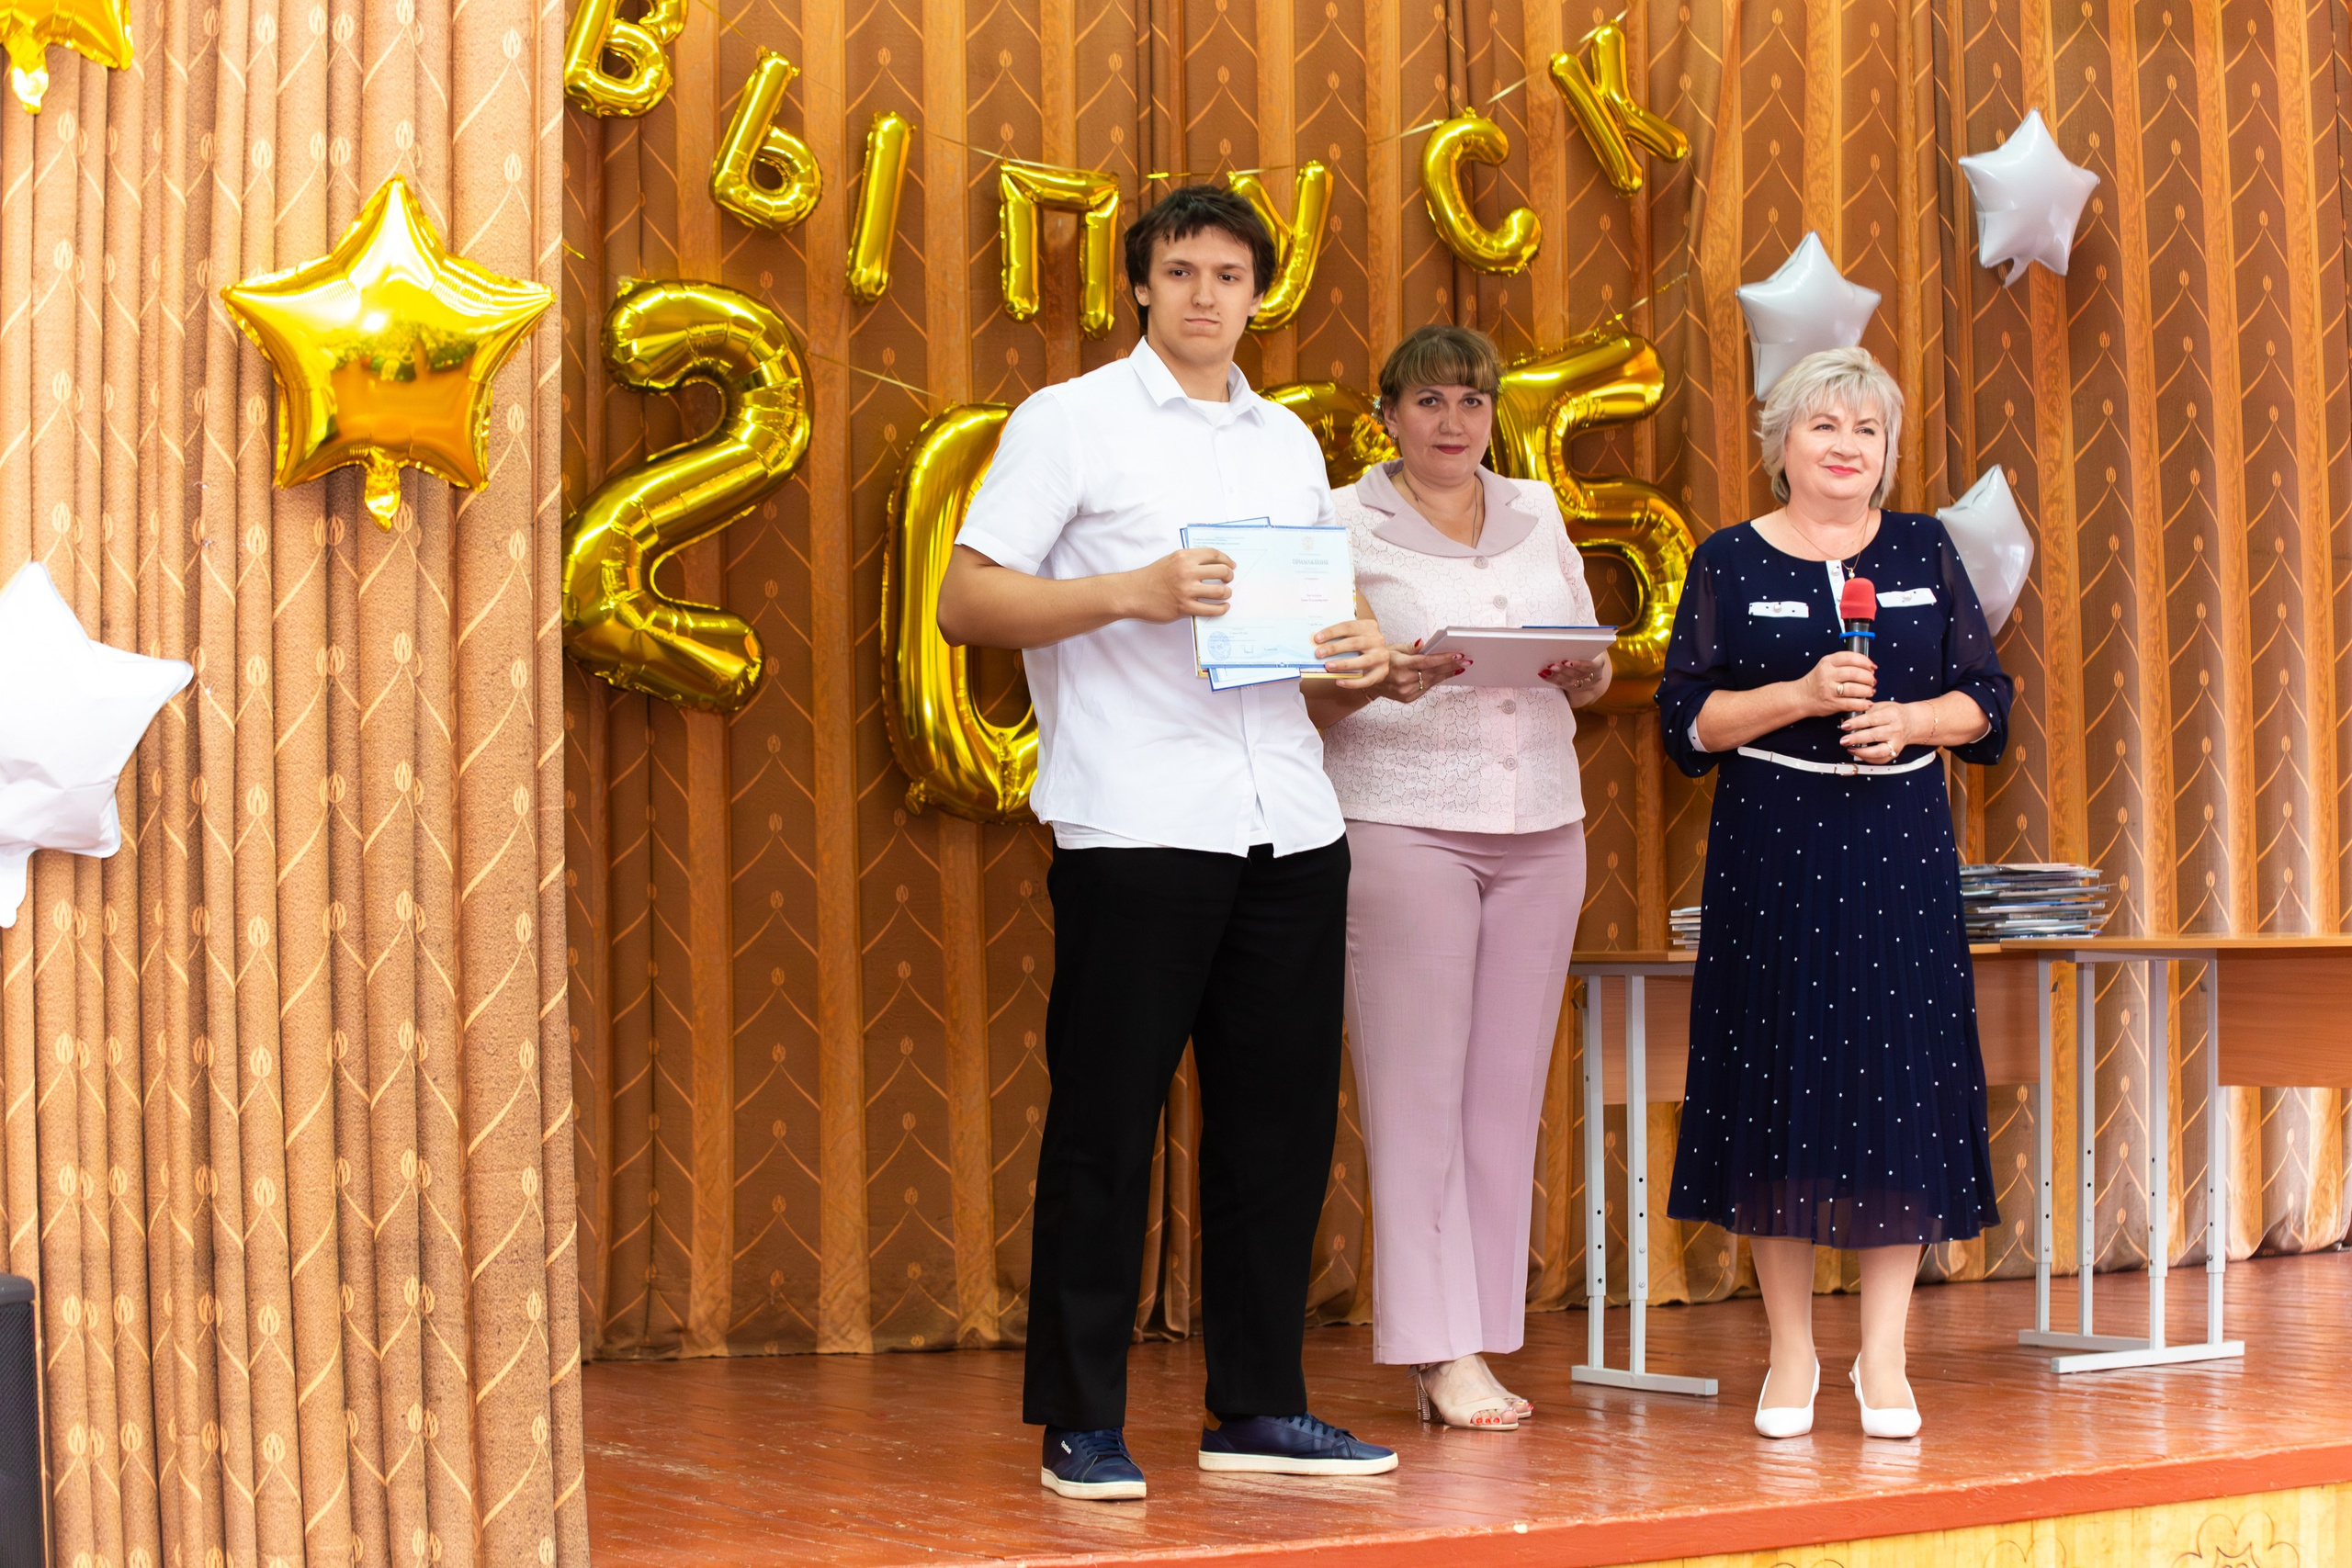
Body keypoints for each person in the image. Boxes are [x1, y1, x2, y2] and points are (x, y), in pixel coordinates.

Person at [935, 185, 1401, 1501]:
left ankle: (1257, 1404)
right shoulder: (1069, 420)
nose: (1206, 294)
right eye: (1181, 270)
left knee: (1281, 1129)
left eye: (1230, 273)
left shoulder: (1288, 444)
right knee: (1105, 1125)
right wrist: (1128, 590)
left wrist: (1358, 657)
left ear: (1262, 291)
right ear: (1138, 287)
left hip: (1291, 820)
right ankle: (1079, 1419)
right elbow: (968, 598)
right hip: (1137, 820)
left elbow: (1302, 637)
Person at [1656, 346, 2012, 1441]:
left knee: (1897, 1088)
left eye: (1865, 430)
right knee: (1782, 1081)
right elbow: (1685, 726)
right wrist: (1795, 694)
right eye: (1823, 427)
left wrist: (1911, 721)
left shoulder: (1922, 548)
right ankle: (1791, 1355)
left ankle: (1887, 1358)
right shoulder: (1727, 561)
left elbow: (1989, 705)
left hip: (1898, 844)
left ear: (1886, 452)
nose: (1845, 447)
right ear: (1780, 447)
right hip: (1774, 843)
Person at [1311, 324, 1611, 1431]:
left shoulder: (1536, 507)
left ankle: (1479, 1335)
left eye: (1471, 403)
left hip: (1541, 817)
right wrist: (1384, 674)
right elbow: (1312, 679)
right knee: (1416, 1095)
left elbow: (1587, 668)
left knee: (1504, 1099)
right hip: (1400, 818)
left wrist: (1588, 669)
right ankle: (1433, 1354)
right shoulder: (1339, 518)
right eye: (1429, 401)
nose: (1453, 423)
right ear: (1384, 411)